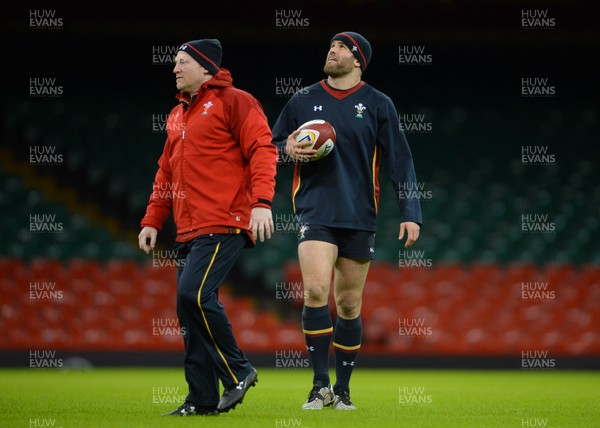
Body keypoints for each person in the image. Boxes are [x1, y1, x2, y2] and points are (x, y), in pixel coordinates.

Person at [271, 31, 423, 410]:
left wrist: (411, 213)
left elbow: (400, 160)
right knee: (316, 292)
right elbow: (269, 147)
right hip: (315, 211)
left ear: (358, 60)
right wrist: (286, 148)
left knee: (350, 304)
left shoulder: (378, 103)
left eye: (341, 48)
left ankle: (343, 391)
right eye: (330, 47)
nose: (332, 51)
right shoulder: (303, 98)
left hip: (359, 214)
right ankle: (319, 385)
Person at [138, 38, 277, 416]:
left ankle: (238, 372)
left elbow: (263, 150)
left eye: (182, 62)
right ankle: (200, 400)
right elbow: (165, 173)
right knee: (189, 314)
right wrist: (153, 220)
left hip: (225, 219)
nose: (175, 68)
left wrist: (262, 203)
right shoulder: (176, 115)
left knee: (194, 296)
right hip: (188, 227)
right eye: (174, 62)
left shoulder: (237, 101)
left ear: (206, 67)